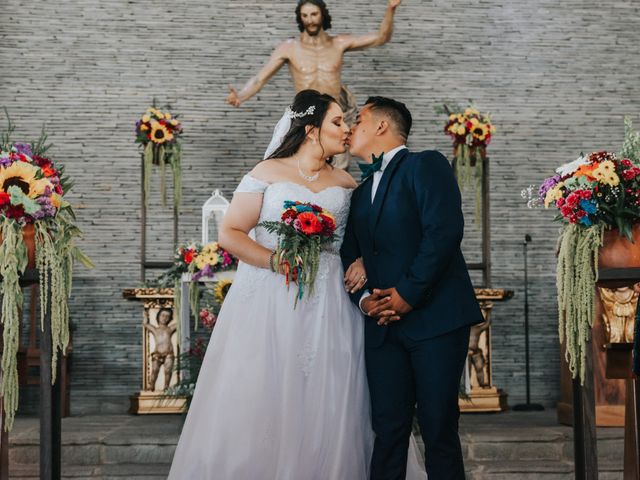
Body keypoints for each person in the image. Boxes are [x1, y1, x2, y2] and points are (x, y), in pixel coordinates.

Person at [168, 89, 426, 479]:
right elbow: (231, 233)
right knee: (265, 392)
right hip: (270, 298)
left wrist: (359, 260)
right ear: (310, 130)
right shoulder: (265, 173)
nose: (346, 129)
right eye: (338, 121)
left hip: (332, 303)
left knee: (334, 395)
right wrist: (275, 260)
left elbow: (365, 240)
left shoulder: (347, 181)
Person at [341, 96, 484, 479]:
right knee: (387, 432)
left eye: (359, 120)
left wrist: (406, 295)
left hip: (434, 321)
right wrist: (364, 300)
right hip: (383, 329)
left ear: (381, 126)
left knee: (439, 429)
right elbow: (350, 256)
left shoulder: (426, 164)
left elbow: (443, 232)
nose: (350, 128)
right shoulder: (358, 193)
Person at [226, 0, 402, 169]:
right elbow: (259, 78)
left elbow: (381, 38)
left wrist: (391, 9)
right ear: (300, 18)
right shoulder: (290, 48)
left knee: (338, 167)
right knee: (304, 165)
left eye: (314, 14)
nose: (309, 20)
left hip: (334, 115)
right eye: (305, 15)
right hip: (307, 116)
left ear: (322, 15)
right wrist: (241, 96)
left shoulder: (338, 44)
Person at [144, 308, 176, 391]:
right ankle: (151, 386)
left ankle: (166, 387)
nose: (164, 318)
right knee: (154, 370)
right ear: (158, 316)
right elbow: (145, 324)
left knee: (168, 371)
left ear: (170, 318)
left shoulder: (169, 329)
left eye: (167, 316)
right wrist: (145, 315)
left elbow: (179, 323)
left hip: (168, 353)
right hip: (157, 353)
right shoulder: (155, 329)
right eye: (163, 315)